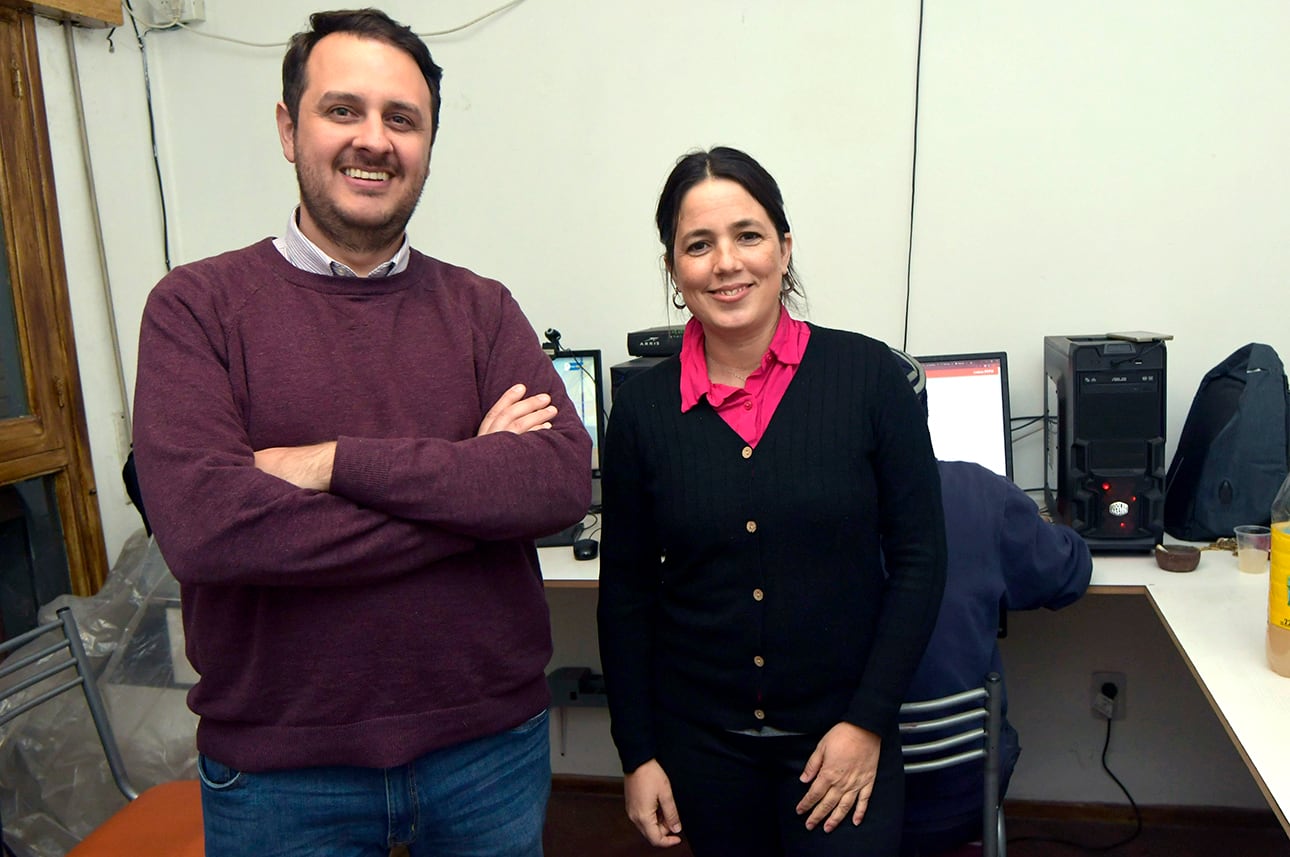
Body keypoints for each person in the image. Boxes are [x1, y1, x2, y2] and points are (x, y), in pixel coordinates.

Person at [131, 9, 591, 856]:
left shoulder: (483, 309)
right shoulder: (195, 308)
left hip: (488, 753)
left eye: (401, 119)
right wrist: (469, 487)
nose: (373, 140)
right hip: (281, 776)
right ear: (287, 127)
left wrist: (331, 464)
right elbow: (206, 530)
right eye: (343, 110)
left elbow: (557, 482)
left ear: (427, 145)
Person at [596, 146, 947, 857]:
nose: (726, 263)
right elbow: (626, 594)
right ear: (673, 269)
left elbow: (920, 560)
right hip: (702, 750)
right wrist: (637, 754)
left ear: (783, 249)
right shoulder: (641, 412)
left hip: (843, 740)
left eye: (748, 235)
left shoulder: (872, 378)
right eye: (699, 245)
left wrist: (868, 722)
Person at [888, 349, 1092, 857]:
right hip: (960, 797)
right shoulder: (979, 493)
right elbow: (1067, 577)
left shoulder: (794, 519)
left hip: (836, 799)